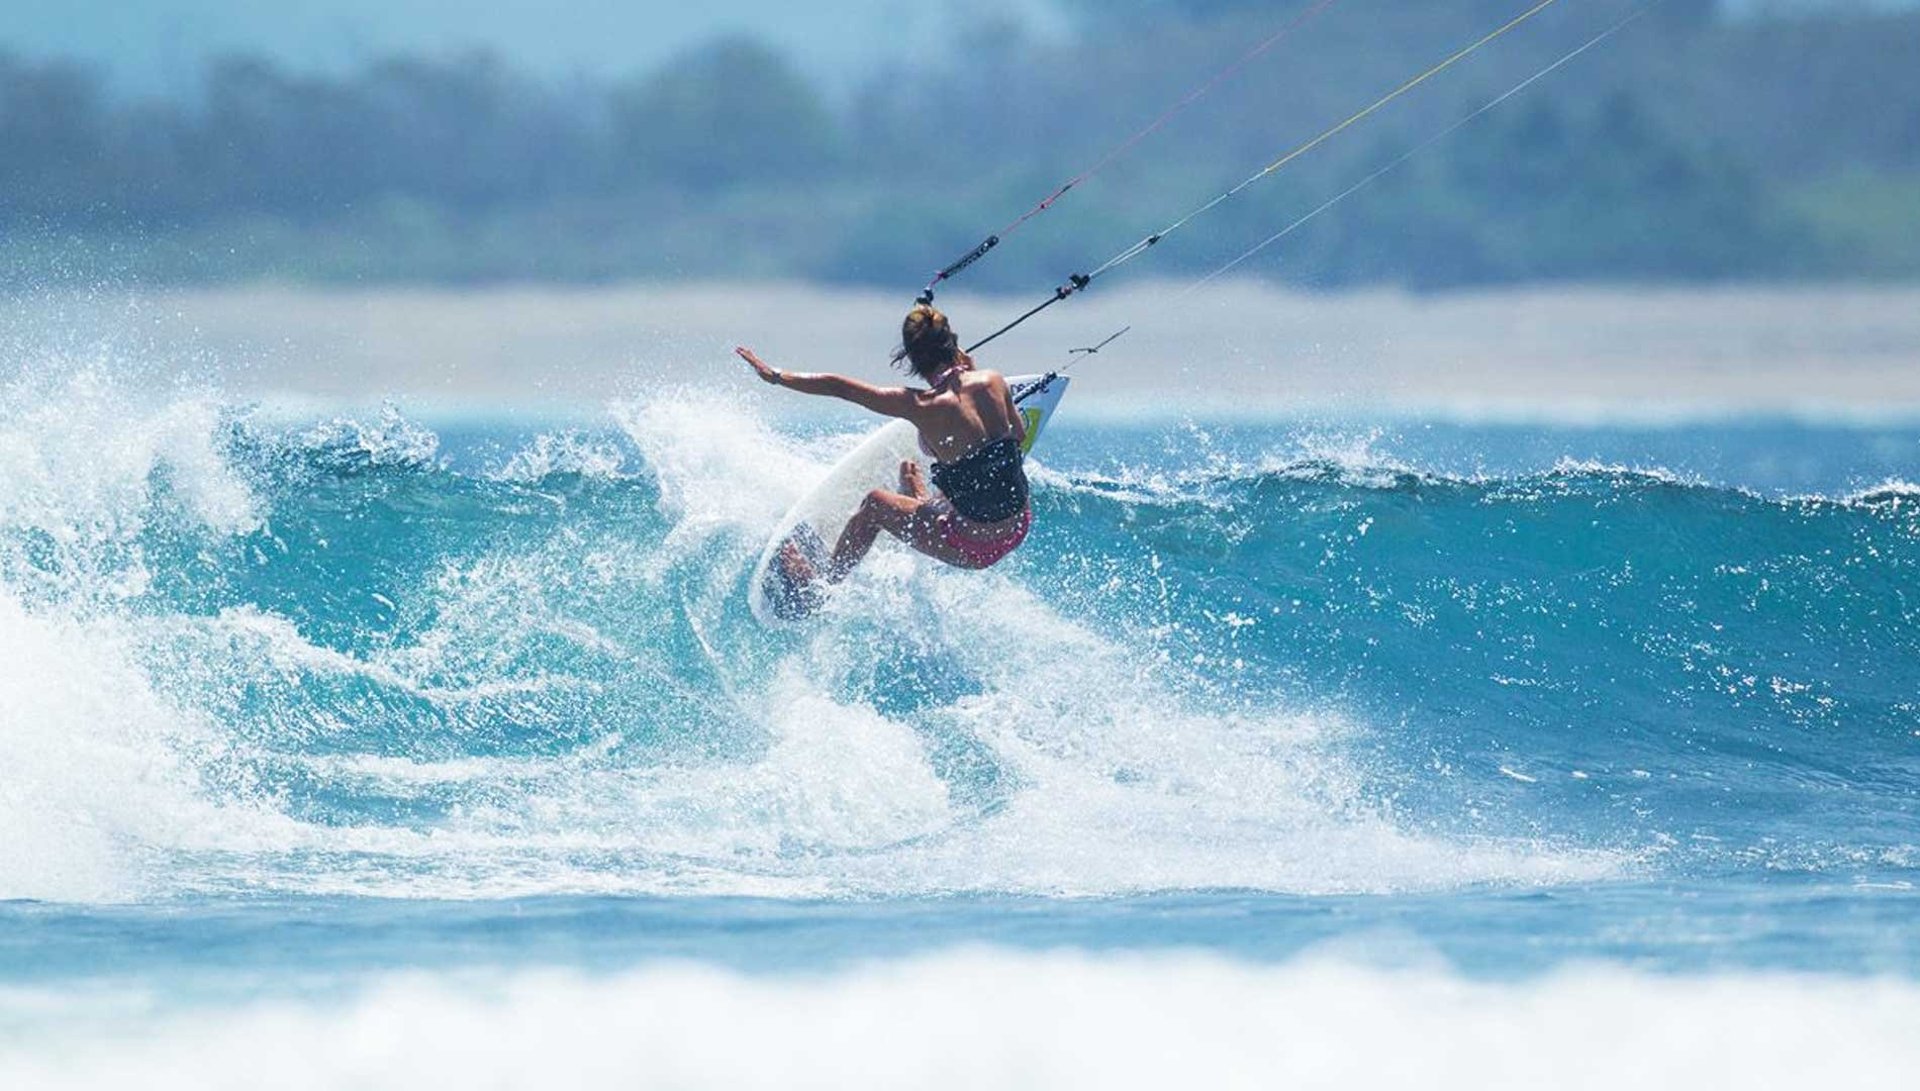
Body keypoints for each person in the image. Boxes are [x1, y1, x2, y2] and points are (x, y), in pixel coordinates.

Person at [736, 304, 1032, 583]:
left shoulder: (919, 405)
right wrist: (969, 372)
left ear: (910, 359)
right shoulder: (993, 381)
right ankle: (923, 501)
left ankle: (825, 580)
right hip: (1018, 526)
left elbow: (839, 387)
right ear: (953, 344)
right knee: (957, 469)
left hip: (972, 548)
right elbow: (1018, 436)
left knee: (876, 503)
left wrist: (776, 376)